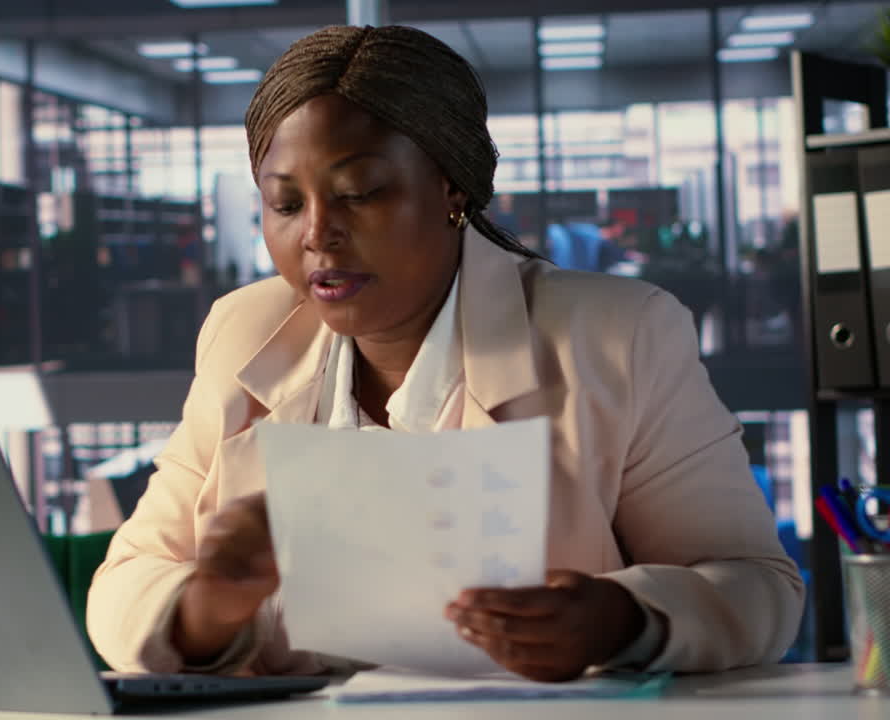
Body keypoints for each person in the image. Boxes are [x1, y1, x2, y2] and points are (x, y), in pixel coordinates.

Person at [86, 24, 803, 682]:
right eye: (286, 204)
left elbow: (758, 587)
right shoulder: (244, 330)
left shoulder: (620, 336)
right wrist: (205, 609)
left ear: (452, 186)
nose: (318, 234)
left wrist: (621, 621)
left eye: (359, 193)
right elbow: (122, 584)